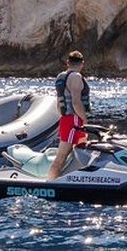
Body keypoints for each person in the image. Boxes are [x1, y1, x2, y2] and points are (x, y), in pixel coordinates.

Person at [47, 50, 91, 179]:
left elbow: (59, 102)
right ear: (82, 63)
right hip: (75, 120)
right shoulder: (76, 77)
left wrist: (63, 118)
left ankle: (74, 178)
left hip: (66, 118)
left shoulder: (61, 76)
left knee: (81, 152)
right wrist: (84, 119)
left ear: (67, 62)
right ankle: (50, 182)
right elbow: (76, 102)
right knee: (62, 156)